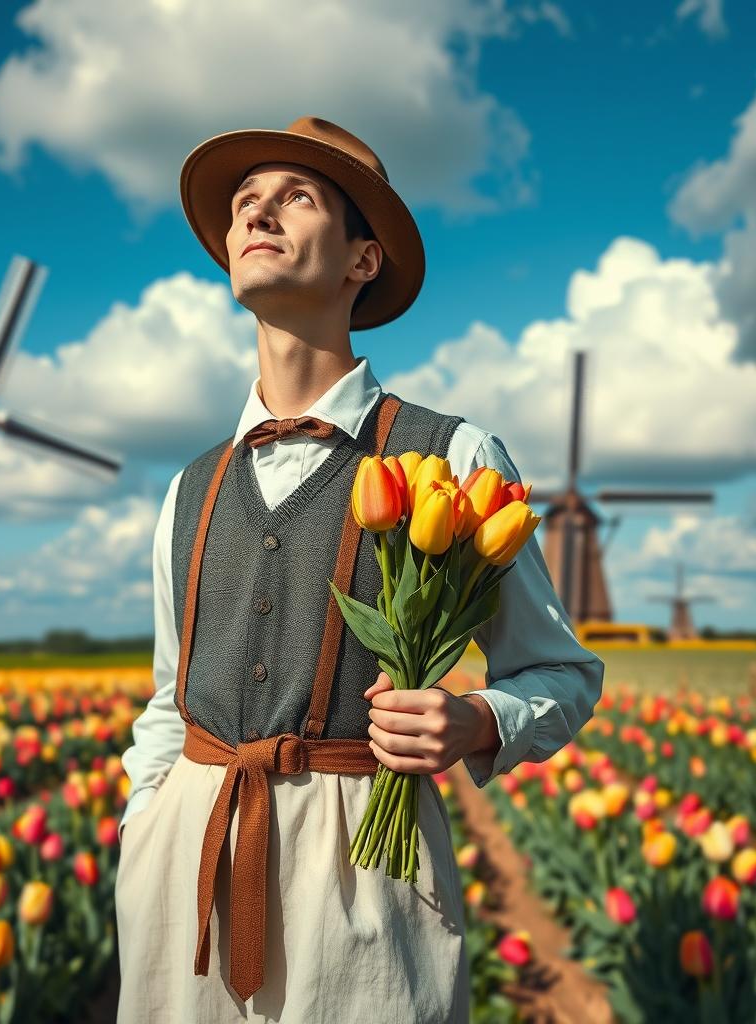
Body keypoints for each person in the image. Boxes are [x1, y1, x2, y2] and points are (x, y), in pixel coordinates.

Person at [114, 115, 605, 1023]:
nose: (258, 213)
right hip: (186, 864)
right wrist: (139, 836)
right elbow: (163, 698)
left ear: (361, 261)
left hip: (365, 875)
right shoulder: (188, 488)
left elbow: (566, 672)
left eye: (295, 197)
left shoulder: (453, 456)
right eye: (243, 203)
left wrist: (477, 721)